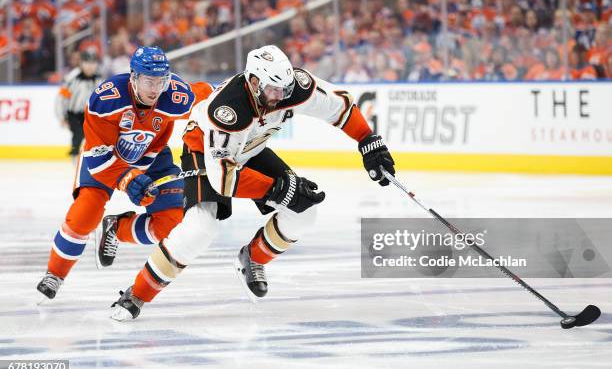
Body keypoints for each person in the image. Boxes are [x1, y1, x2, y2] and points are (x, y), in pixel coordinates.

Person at [109, 45, 396, 321]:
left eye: (284, 89)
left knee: (305, 212)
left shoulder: (292, 87)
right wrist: (279, 190)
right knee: (200, 229)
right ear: (254, 81)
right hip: (204, 153)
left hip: (250, 149)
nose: (280, 96)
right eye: (272, 89)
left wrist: (367, 140)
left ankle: (253, 257)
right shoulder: (228, 109)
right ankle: (137, 294)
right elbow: (224, 177)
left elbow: (340, 107)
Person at [36, 46, 213, 302]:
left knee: (171, 225)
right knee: (84, 215)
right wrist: (128, 179)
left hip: (153, 157)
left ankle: (117, 228)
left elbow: (209, 98)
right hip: (106, 158)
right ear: (133, 77)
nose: (155, 89)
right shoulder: (106, 100)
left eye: (161, 81)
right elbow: (98, 157)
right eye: (149, 81)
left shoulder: (174, 94)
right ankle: (55, 274)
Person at [55, 48, 103, 162]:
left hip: (91, 114)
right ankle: (75, 161)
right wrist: (61, 116)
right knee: (78, 136)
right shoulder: (72, 78)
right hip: (74, 114)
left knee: (95, 139)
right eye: (87, 63)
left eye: (93, 63)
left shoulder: (99, 79)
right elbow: (61, 98)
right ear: (81, 63)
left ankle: (93, 163)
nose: (90, 66)